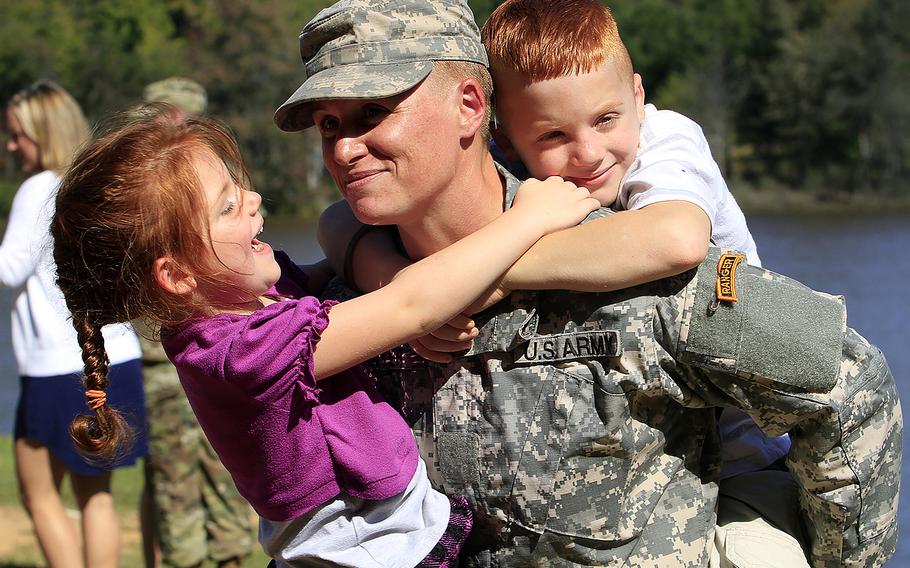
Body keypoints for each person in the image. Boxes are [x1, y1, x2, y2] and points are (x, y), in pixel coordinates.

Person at [273, 1, 901, 566]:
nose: (345, 149)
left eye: (373, 113)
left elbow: (847, 380)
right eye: (328, 125)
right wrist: (410, 289)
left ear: (469, 105)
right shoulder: (345, 310)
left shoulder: (631, 263)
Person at [50, 108, 599, 566]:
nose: (254, 199)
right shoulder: (243, 351)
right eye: (227, 206)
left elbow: (336, 254)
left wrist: (368, 253)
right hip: (366, 555)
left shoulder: (246, 301)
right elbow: (410, 304)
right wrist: (527, 219)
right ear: (177, 277)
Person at [2, 80, 147, 568]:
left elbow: (8, 269)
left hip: (54, 367)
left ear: (41, 132)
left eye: (17, 134)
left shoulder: (37, 188)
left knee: (39, 494)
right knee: (98, 497)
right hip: (110, 360)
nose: (11, 144)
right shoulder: (96, 184)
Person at [138, 76, 254, 568]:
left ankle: (226, 555)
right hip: (165, 371)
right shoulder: (148, 194)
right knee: (172, 483)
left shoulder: (210, 185)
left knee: (224, 471)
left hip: (213, 356)